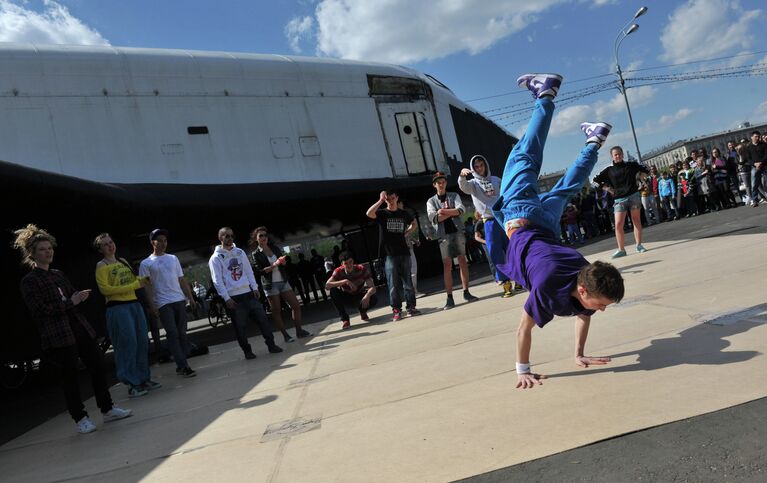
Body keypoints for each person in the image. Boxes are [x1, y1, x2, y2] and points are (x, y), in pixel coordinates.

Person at [490, 73, 624, 389]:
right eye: (602, 302)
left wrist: (579, 353)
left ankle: (594, 139)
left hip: (546, 225)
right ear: (583, 291)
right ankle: (545, 95)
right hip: (522, 216)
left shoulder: (585, 274)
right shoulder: (550, 286)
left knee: (567, 188)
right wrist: (522, 369)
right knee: (526, 155)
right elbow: (523, 328)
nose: (602, 309)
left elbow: (584, 312)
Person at [15, 224, 132, 434]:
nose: (48, 252)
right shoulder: (29, 281)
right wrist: (72, 301)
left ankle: (108, 409)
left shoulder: (58, 274)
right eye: (42, 249)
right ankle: (80, 418)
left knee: (97, 367)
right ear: (32, 254)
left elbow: (70, 295)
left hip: (78, 327)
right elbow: (40, 310)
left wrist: (78, 296)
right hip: (58, 334)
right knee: (70, 377)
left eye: (49, 248)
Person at [93, 233, 160, 398]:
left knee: (142, 341)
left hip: (134, 304)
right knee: (127, 343)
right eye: (105, 244)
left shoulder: (122, 261)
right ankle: (131, 382)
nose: (110, 246)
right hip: (118, 308)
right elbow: (106, 290)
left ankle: (143, 378)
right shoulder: (101, 266)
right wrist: (136, 284)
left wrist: (143, 279)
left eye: (111, 242)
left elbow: (130, 280)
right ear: (100, 249)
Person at [209, 227, 285, 358]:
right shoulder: (216, 258)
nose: (230, 238)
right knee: (240, 327)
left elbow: (248, 270)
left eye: (232, 236)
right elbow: (217, 280)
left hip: (249, 294)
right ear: (220, 238)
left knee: (263, 321)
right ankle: (247, 351)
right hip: (234, 298)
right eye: (226, 236)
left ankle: (271, 345)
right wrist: (226, 298)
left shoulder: (240, 252)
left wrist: (254, 287)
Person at [139, 229, 197, 378]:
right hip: (163, 304)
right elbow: (146, 287)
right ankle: (184, 366)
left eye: (165, 240)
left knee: (182, 334)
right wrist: (152, 306)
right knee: (172, 333)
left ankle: (180, 363)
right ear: (153, 242)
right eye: (160, 240)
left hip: (179, 300)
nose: (164, 243)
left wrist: (190, 297)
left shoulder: (173, 258)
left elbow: (181, 279)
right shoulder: (146, 264)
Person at [458, 154, 516, 297]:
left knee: (512, 248)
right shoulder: (473, 184)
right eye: (476, 166)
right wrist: (462, 176)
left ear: (486, 165)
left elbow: (507, 193)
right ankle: (505, 283)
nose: (479, 168)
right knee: (495, 252)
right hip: (489, 220)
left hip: (503, 218)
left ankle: (519, 278)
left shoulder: (496, 180)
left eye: (481, 165)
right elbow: (463, 187)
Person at [366, 189, 420, 321]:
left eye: (392, 198)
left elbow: (414, 224)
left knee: (408, 282)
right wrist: (380, 200)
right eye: (388, 198)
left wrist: (407, 233)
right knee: (393, 284)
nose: (390, 200)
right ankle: (396, 310)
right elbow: (369, 213)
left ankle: (411, 307)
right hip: (389, 254)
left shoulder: (403, 213)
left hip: (404, 252)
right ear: (386, 199)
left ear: (397, 198)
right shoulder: (383, 213)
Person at [426, 174, 479, 309]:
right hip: (443, 235)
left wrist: (442, 211)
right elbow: (434, 218)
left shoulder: (454, 195)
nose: (441, 184)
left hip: (457, 232)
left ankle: (466, 291)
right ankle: (449, 297)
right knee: (447, 265)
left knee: (462, 260)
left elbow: (461, 210)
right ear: (434, 185)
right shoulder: (431, 201)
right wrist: (451, 212)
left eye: (443, 182)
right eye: (438, 183)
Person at [250, 227, 311, 342]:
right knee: (276, 311)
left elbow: (282, 264)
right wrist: (275, 265)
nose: (264, 237)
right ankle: (285, 336)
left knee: (296, 306)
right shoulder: (256, 254)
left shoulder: (274, 248)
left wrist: (283, 262)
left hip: (283, 281)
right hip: (270, 285)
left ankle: (299, 331)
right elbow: (260, 271)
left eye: (265, 235)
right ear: (256, 239)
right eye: (261, 236)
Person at [593, 145, 649, 258]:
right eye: (615, 154)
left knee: (636, 220)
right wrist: (608, 189)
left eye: (619, 154)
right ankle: (621, 249)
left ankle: (639, 245)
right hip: (619, 199)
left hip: (633, 196)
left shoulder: (631, 165)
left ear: (622, 154)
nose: (618, 156)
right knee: (618, 224)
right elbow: (595, 181)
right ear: (612, 156)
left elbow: (646, 170)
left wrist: (641, 179)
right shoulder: (609, 170)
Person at [325, 251, 378, 329]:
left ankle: (363, 311)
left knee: (373, 297)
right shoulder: (338, 271)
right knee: (333, 291)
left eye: (350, 262)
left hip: (360, 296)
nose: (349, 265)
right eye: (346, 263)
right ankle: (345, 319)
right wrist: (345, 281)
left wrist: (367, 296)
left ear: (353, 261)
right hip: (347, 297)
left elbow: (373, 287)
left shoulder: (361, 269)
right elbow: (327, 285)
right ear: (342, 264)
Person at [742, 130, 767, 207]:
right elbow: (748, 159)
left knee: (765, 182)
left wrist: (761, 162)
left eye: (758, 136)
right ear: (751, 137)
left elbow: (766, 155)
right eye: (756, 136)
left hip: (764, 165)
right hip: (754, 167)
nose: (758, 138)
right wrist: (754, 164)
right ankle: (755, 200)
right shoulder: (748, 147)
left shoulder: (764, 145)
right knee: (754, 184)